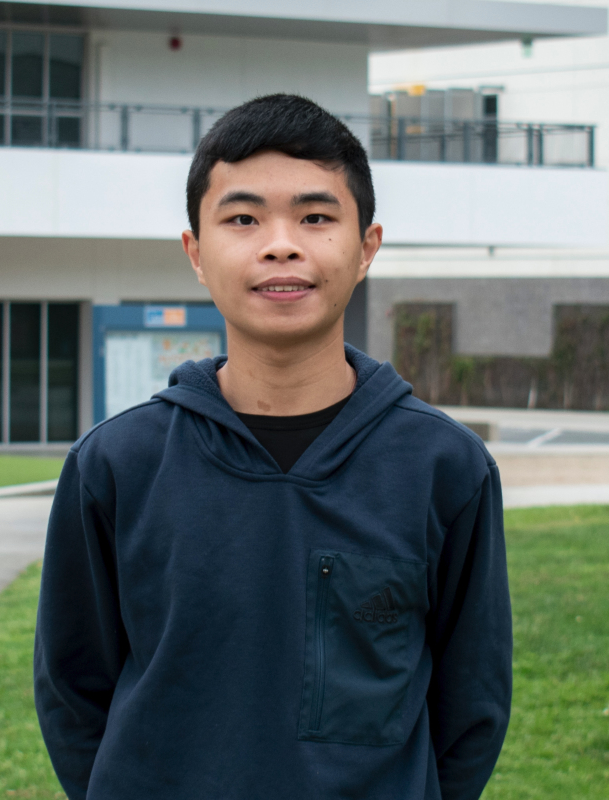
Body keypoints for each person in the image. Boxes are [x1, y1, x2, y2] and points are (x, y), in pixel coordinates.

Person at [34, 94, 512, 800]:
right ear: (196, 252)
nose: (280, 243)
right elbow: (74, 691)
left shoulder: (444, 468)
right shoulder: (116, 465)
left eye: (316, 217)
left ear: (366, 248)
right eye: (243, 218)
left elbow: (469, 707)